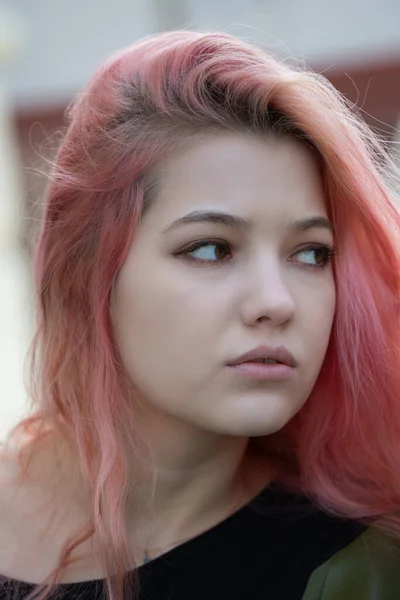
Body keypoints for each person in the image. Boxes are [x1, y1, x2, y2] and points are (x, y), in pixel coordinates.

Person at [0, 30, 399, 600]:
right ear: (87, 274)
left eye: (311, 253)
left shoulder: (355, 570)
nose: (276, 302)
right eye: (211, 248)